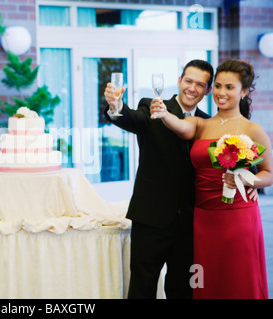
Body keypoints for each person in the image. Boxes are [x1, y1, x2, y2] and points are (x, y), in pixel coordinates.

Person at [150, 59, 273, 299]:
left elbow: (268, 174)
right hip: (204, 217)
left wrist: (248, 180)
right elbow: (179, 126)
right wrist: (164, 114)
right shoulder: (200, 124)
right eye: (217, 86)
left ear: (244, 92)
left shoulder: (252, 129)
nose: (221, 93)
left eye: (229, 87)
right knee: (205, 278)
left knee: (237, 277)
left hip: (239, 216)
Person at [104, 60, 215, 299]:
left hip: (190, 223)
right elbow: (131, 119)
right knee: (142, 287)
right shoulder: (153, 106)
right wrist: (116, 106)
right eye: (188, 81)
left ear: (207, 90)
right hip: (151, 217)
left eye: (200, 84)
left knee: (184, 289)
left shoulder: (208, 123)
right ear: (179, 81)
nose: (192, 88)